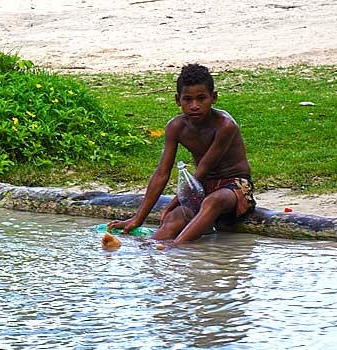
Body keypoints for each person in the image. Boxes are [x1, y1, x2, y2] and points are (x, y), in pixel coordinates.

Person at [108, 63, 255, 243]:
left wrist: (173, 202)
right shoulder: (176, 127)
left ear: (213, 98)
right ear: (178, 100)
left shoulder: (225, 126)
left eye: (201, 98)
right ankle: (153, 250)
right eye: (188, 99)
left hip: (234, 186)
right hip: (202, 187)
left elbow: (203, 169)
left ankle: (175, 248)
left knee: (212, 202)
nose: (195, 106)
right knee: (172, 219)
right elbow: (162, 172)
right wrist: (138, 219)